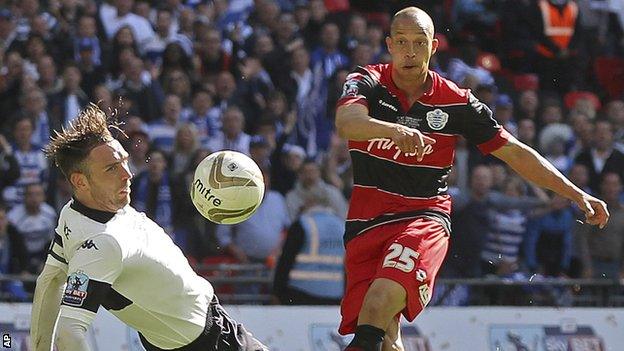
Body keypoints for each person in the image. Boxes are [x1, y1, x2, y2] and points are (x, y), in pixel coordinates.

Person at [334, 7, 609, 351]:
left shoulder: (456, 101)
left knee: (377, 308)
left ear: (434, 47)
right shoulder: (367, 80)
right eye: (402, 42)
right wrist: (393, 131)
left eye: (420, 42)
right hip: (365, 222)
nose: (410, 51)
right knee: (387, 338)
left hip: (421, 218)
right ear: (389, 44)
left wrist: (574, 193)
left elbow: (514, 151)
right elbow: (347, 122)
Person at [30, 105, 268, 351]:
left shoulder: (74, 213)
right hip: (208, 344)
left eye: (124, 160)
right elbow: (69, 333)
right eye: (112, 168)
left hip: (204, 332)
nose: (127, 174)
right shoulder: (103, 243)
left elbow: (49, 281)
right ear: (80, 181)